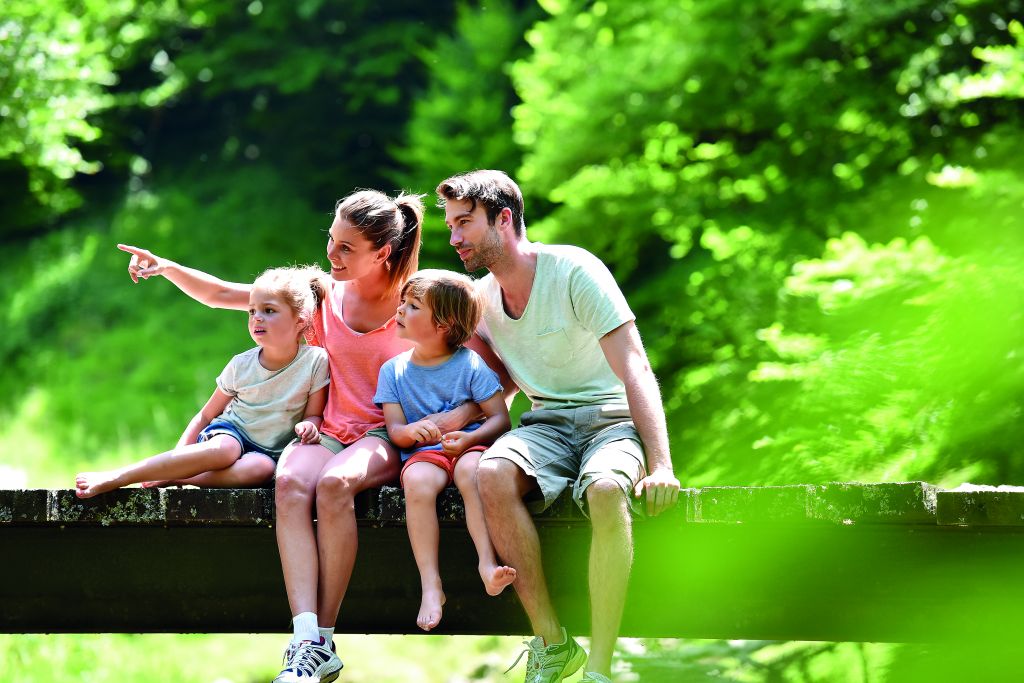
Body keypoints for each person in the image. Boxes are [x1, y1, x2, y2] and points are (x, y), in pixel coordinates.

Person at [118, 190, 506, 683]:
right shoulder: (319, 290)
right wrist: (164, 266)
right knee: (291, 482)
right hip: (322, 430)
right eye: (331, 240)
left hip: (383, 435)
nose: (332, 255)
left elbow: (490, 377)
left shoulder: (418, 301)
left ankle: (323, 638)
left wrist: (454, 422)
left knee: (335, 485)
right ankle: (304, 639)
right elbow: (222, 294)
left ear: (382, 253)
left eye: (347, 248)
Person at [437, 170, 682, 683]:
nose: (454, 238)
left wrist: (660, 465)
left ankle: (600, 666)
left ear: (503, 219)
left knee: (607, 490)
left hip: (611, 421)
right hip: (545, 423)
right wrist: (450, 427)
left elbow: (634, 365)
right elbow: (494, 389)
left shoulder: (574, 270)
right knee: (492, 473)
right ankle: (553, 643)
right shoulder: (482, 301)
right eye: (451, 226)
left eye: (465, 223)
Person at [74, 266, 329, 498]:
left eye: (269, 311)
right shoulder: (241, 365)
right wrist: (179, 454)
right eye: (252, 311)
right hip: (232, 434)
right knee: (225, 450)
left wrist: (309, 427)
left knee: (261, 470)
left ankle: (180, 476)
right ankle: (120, 476)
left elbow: (314, 415)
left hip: (268, 454)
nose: (256, 318)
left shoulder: (315, 361)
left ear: (300, 320)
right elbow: (206, 415)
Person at [375, 269, 517, 632]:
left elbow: (499, 419)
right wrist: (410, 431)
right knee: (418, 484)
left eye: (413, 306)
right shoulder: (393, 371)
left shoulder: (470, 364)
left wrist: (470, 440)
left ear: (443, 325)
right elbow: (394, 431)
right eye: (403, 303)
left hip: (470, 446)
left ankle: (487, 563)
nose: (401, 311)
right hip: (426, 454)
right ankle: (431, 584)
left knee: (472, 473)